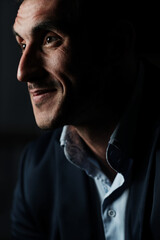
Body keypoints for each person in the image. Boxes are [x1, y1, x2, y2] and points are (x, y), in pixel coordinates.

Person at [11, 0, 160, 239]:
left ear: (116, 45)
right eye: (23, 44)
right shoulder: (36, 170)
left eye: (50, 39)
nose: (23, 72)